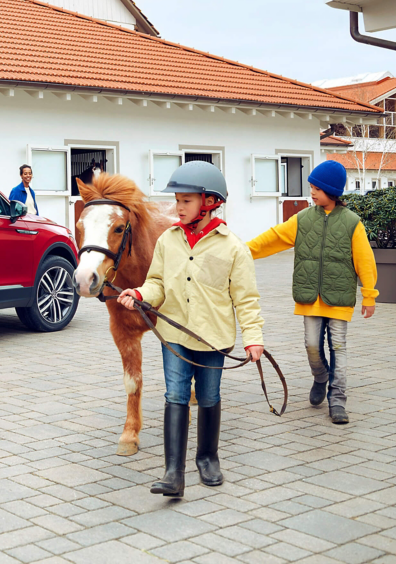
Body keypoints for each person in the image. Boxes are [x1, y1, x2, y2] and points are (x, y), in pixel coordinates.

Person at [117, 161, 264, 497]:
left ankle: (208, 458)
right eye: (177, 200)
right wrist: (140, 293)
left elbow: (247, 299)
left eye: (185, 201)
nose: (176, 207)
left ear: (209, 202)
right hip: (175, 337)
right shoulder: (168, 241)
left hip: (213, 338)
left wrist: (253, 339)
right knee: (175, 396)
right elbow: (156, 283)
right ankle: (173, 472)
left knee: (210, 397)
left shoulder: (233, 247)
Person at [247, 160, 377, 425]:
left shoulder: (353, 223)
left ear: (332, 190)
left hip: (339, 299)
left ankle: (338, 399)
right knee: (311, 346)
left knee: (338, 347)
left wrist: (369, 295)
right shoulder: (303, 219)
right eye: (311, 187)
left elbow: (365, 260)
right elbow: (272, 238)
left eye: (316, 188)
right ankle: (321, 377)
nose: (312, 192)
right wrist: (240, 251)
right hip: (309, 299)